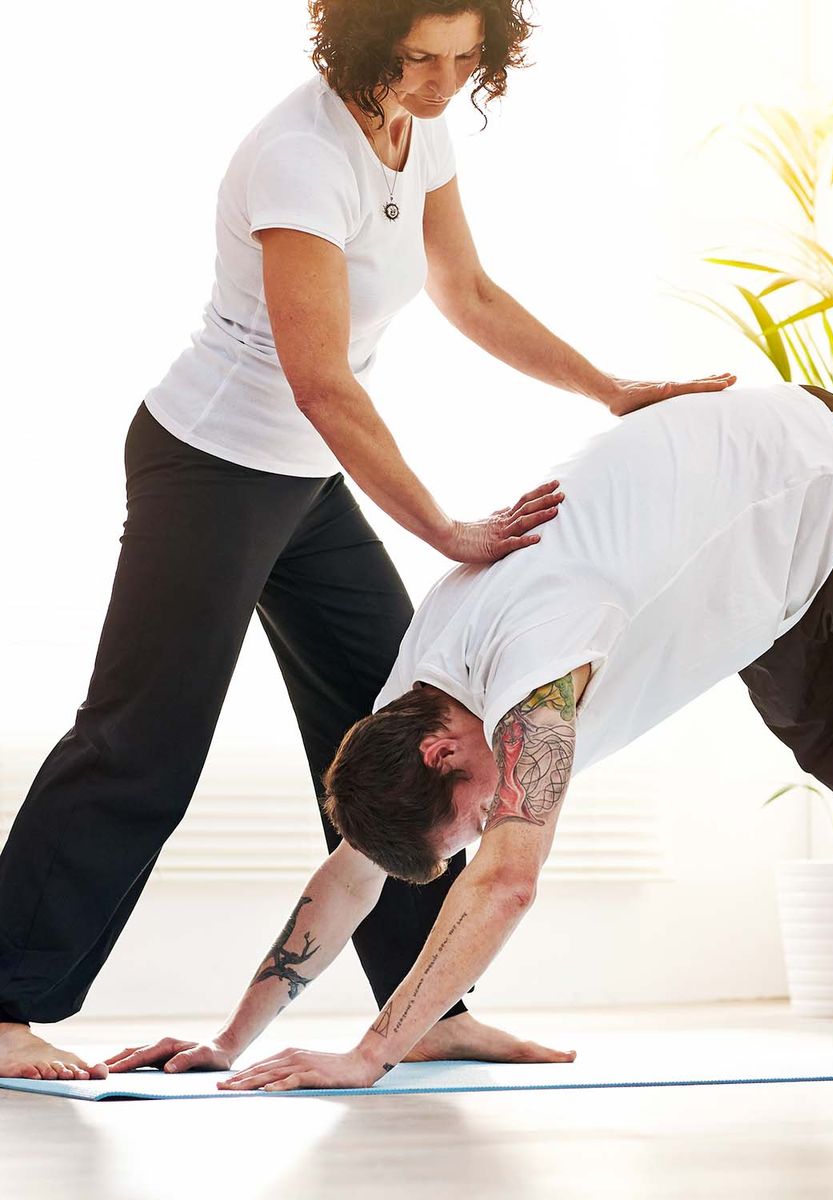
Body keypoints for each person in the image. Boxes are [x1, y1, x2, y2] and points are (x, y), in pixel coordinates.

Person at [0, 0, 735, 1082]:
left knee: (392, 738)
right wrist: (441, 524)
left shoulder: (414, 127)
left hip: (300, 480)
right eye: (419, 58)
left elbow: (466, 290)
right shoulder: (301, 158)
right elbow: (320, 378)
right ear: (360, 40)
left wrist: (612, 388)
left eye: (465, 58)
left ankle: (425, 1005)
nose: (442, 82)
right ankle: (5, 1005)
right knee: (142, 743)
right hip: (210, 463)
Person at [102, 381, 833, 1093]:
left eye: (473, 812)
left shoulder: (535, 672)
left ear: (445, 753)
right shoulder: (415, 698)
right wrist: (228, 1040)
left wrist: (372, 1051)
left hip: (819, 481)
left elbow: (510, 885)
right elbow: (349, 872)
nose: (490, 821)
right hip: (758, 574)